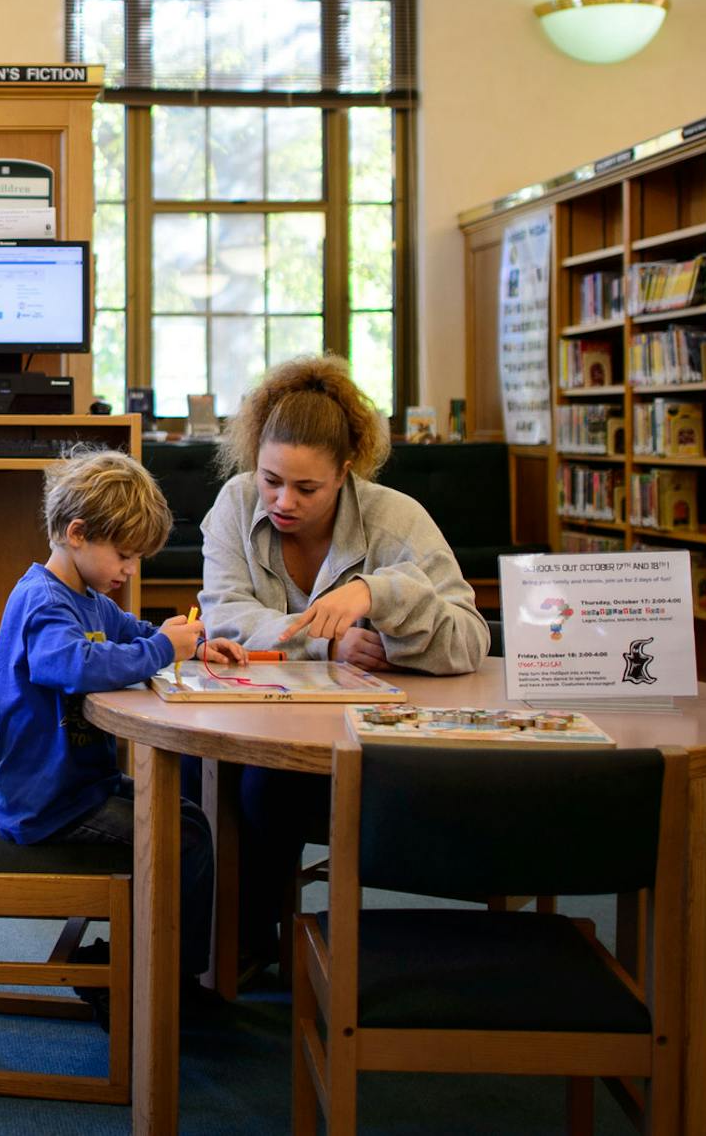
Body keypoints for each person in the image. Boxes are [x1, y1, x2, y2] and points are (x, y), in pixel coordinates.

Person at [198, 354, 489, 960]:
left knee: (265, 792)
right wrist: (325, 641)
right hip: (265, 730)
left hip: (376, 746)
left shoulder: (397, 520)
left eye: (307, 488)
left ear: (347, 473)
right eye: (271, 478)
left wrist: (377, 596)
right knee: (233, 784)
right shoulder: (235, 502)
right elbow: (225, 613)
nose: (282, 501)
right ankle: (232, 948)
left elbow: (469, 639)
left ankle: (237, 950)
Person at [0, 448, 245, 993]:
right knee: (187, 838)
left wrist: (189, 644)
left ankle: (156, 958)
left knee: (189, 819)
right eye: (125, 556)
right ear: (77, 533)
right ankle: (169, 980)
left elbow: (130, 631)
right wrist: (160, 648)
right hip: (48, 805)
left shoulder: (84, 595)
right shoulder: (44, 601)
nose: (130, 571)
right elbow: (72, 664)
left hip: (82, 786)